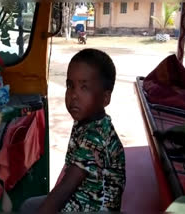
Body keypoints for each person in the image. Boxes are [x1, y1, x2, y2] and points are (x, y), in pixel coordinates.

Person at [20, 49, 126, 213]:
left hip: (95, 208)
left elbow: (65, 190)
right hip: (81, 198)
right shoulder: (87, 120)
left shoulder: (96, 135)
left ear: (105, 98)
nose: (74, 95)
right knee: (28, 206)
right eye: (70, 85)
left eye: (84, 87)